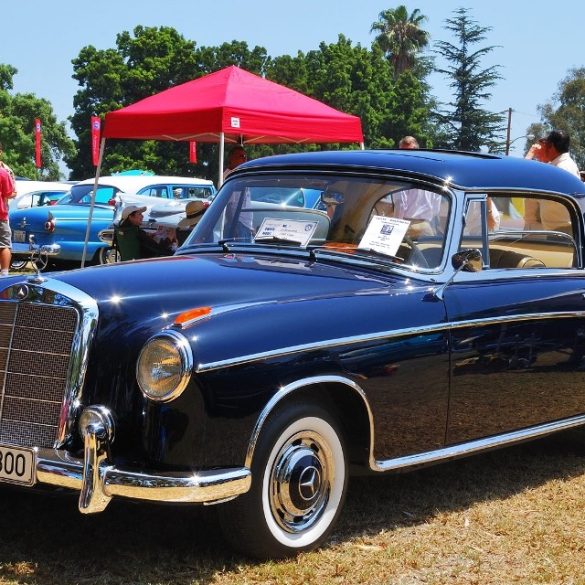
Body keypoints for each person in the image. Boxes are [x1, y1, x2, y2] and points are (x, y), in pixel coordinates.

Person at [524, 130, 579, 232]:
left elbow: (522, 179)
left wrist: (530, 155)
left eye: (545, 145)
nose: (543, 148)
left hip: (562, 231)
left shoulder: (560, 169)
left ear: (551, 146)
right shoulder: (560, 166)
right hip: (559, 230)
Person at [0, 163, 15, 276]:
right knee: (4, 245)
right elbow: (9, 193)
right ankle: (4, 275)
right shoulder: (3, 172)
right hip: (1, 215)